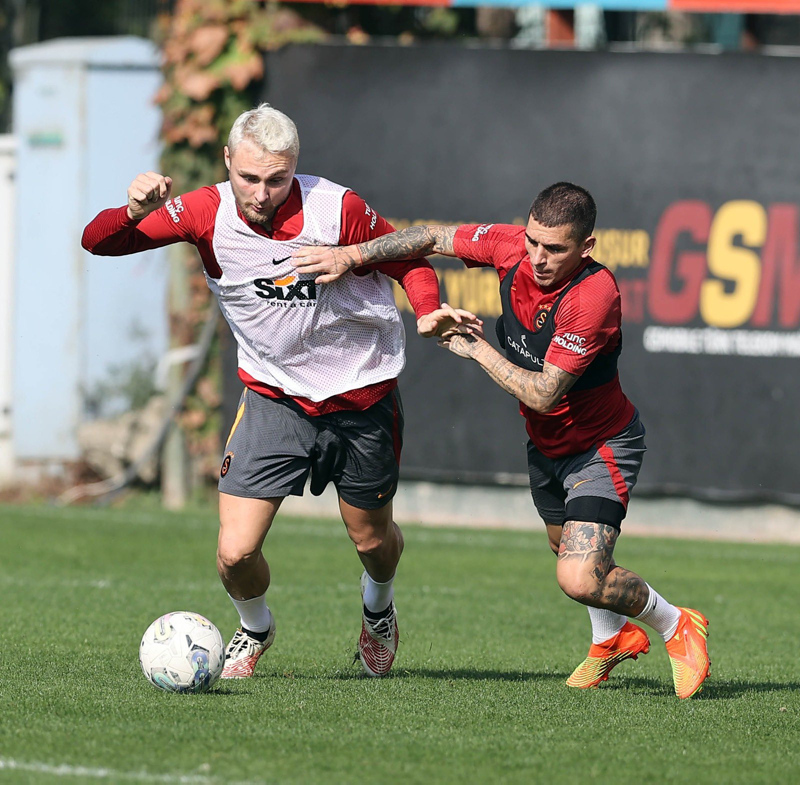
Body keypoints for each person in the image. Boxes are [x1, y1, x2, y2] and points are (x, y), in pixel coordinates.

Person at [82, 103, 471, 679]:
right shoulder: (203, 211)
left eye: (277, 179)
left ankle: (379, 610)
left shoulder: (337, 208)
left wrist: (428, 309)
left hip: (360, 394)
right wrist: (133, 209)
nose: (261, 192)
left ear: (296, 169)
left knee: (372, 543)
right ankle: (255, 626)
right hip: (273, 395)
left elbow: (409, 258)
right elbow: (98, 242)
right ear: (227, 163)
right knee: (234, 553)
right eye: (248, 177)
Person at [292, 182, 711, 699]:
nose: (537, 257)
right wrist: (352, 254)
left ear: (587, 248)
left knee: (580, 578)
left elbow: (543, 393)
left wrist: (473, 348)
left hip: (601, 445)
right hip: (547, 446)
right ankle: (611, 640)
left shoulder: (593, 295)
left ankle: (676, 624)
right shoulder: (511, 246)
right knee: (565, 550)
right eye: (534, 241)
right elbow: (434, 237)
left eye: (555, 249)